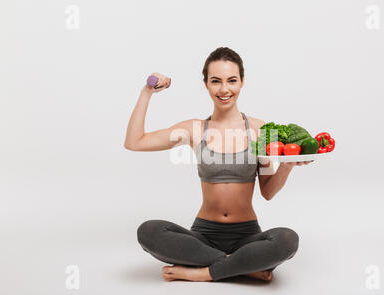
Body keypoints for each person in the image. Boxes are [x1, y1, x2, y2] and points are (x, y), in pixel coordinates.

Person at [124, 47, 311, 282]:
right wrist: (146, 92)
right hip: (203, 236)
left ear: (242, 82)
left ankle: (205, 272)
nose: (224, 89)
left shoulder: (260, 130)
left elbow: (268, 192)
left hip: (247, 235)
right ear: (206, 85)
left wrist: (287, 165)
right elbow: (134, 142)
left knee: (287, 239)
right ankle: (242, 265)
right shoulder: (194, 129)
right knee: (149, 231)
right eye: (216, 81)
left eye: (232, 80)